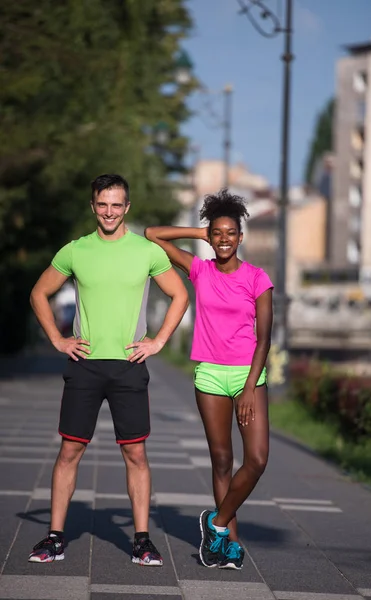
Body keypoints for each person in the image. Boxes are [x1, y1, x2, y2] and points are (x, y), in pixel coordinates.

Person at [28, 173, 189, 566]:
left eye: (117, 205)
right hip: (84, 364)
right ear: (93, 206)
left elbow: (180, 294)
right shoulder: (76, 251)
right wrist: (58, 339)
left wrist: (158, 341)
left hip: (129, 365)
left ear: (127, 208)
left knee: (135, 453)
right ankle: (55, 537)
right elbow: (39, 292)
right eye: (103, 204)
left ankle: (141, 540)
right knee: (70, 450)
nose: (110, 212)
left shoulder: (147, 252)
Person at [145, 189, 273, 571]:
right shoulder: (200, 270)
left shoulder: (257, 278)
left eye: (230, 233)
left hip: (248, 375)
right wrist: (200, 234)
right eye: (217, 233)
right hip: (210, 375)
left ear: (241, 237)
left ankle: (215, 522)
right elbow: (153, 233)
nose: (223, 239)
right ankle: (228, 544)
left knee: (257, 459)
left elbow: (265, 338)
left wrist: (250, 387)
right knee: (221, 460)